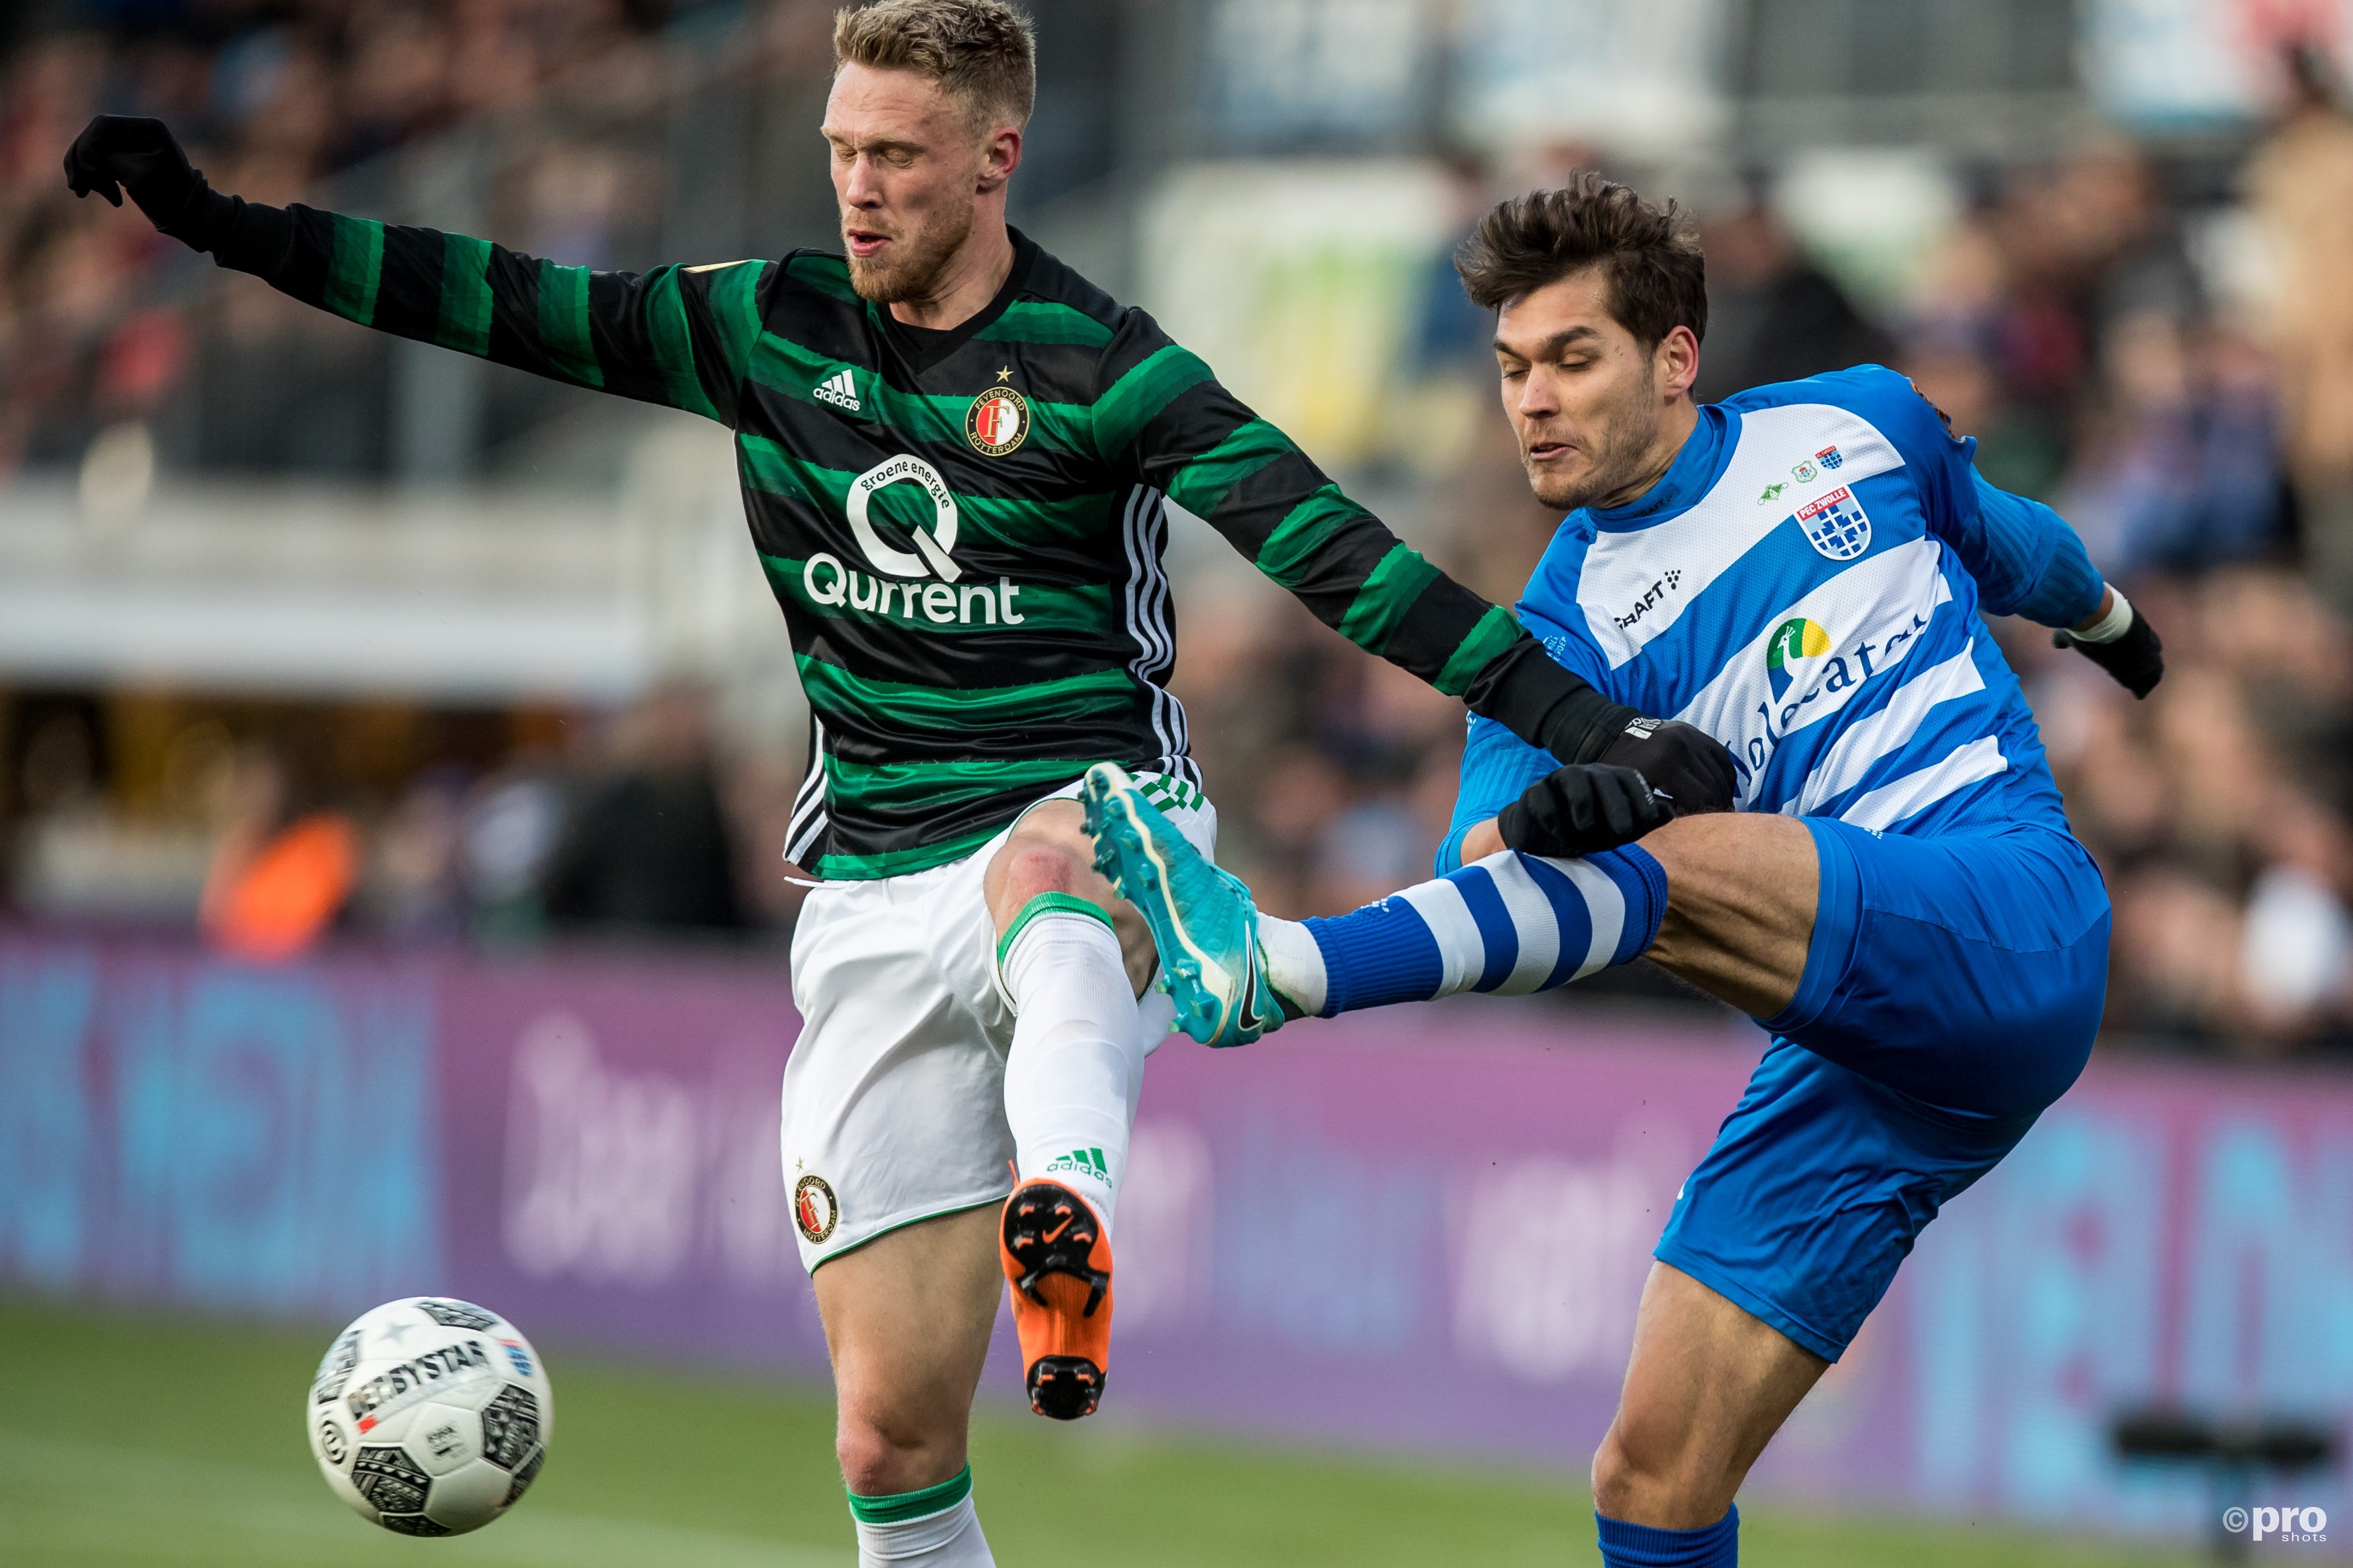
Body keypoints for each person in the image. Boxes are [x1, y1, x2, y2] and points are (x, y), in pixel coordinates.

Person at [62, 7, 1733, 1564]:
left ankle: (1064, 1217)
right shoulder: (760, 322)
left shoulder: (1106, 366)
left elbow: (1338, 558)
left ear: (996, 158)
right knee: (885, 1438)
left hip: (1104, 820)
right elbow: (490, 296)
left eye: (901, 158)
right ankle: (1023, 1272)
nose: (860, 189)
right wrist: (226, 223)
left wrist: (1588, 730)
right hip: (868, 888)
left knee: (1047, 860)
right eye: (843, 150)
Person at [1085, 175, 2164, 1568]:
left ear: (1672, 356)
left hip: (2013, 906)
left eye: (1570, 359)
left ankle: (1281, 966)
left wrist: (2113, 624)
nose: (1529, 398)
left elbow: (2014, 541)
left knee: (1669, 859)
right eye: (1510, 367)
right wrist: (1545, 817)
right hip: (1862, 1045)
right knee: (1650, 1472)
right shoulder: (1553, 635)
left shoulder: (1857, 421)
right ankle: (1280, 961)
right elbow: (1476, 847)